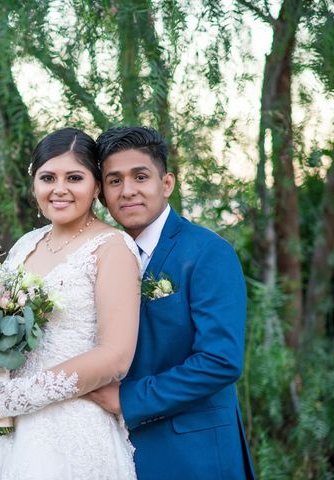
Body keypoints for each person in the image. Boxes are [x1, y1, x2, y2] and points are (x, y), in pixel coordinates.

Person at [0, 127, 141, 479]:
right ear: (34, 184)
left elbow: (115, 356)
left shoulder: (112, 248)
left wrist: (14, 398)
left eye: (74, 177)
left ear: (97, 186)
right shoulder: (27, 244)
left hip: (69, 428)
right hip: (0, 427)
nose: (59, 189)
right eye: (47, 177)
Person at [85, 126, 256, 479]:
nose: (128, 190)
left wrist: (129, 399)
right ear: (101, 195)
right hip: (115, 452)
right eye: (114, 181)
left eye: (140, 176)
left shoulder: (208, 252)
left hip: (194, 455)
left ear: (166, 184)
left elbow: (220, 360)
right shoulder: (96, 258)